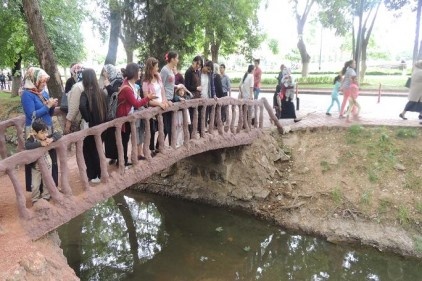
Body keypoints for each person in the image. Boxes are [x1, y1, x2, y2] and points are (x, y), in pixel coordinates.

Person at [21, 67, 59, 192]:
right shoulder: (26, 94)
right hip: (34, 130)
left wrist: (52, 106)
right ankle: (38, 190)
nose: (44, 84)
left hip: (47, 128)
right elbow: (32, 115)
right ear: (34, 80)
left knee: (51, 157)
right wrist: (47, 106)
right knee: (36, 159)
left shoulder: (43, 92)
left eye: (45, 81)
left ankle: (52, 185)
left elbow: (48, 112)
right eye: (42, 81)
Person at [116, 62, 156, 166]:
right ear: (134, 73)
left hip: (127, 115)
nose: (140, 73)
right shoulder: (127, 88)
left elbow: (136, 99)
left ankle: (123, 161)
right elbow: (136, 103)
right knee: (124, 140)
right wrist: (148, 98)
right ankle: (122, 162)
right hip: (124, 118)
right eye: (138, 71)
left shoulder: (130, 83)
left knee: (124, 139)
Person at [79, 68, 107, 183]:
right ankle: (101, 173)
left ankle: (93, 175)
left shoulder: (85, 93)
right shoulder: (101, 92)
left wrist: (88, 119)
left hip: (91, 127)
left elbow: (81, 107)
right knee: (99, 149)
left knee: (89, 150)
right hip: (102, 126)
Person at [25, 119, 61, 203]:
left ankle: (46, 196)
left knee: (46, 181)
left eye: (46, 132)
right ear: (34, 132)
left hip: (48, 164)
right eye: (42, 133)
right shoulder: (30, 139)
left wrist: (52, 139)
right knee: (35, 184)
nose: (45, 135)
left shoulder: (47, 137)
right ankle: (35, 199)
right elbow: (27, 146)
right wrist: (40, 144)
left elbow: (58, 134)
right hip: (35, 167)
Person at [142, 57, 170, 154]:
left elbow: (162, 91)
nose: (158, 69)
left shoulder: (158, 77)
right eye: (156, 66)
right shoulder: (145, 82)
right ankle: (151, 149)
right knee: (152, 130)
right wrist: (159, 104)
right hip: (153, 108)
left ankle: (159, 145)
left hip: (162, 107)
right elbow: (147, 100)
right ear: (151, 68)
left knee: (166, 128)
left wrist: (165, 101)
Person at [101, 64, 124, 165]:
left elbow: (114, 94)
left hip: (116, 113)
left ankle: (120, 157)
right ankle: (113, 156)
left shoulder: (119, 81)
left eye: (105, 72)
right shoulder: (110, 81)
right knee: (109, 136)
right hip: (109, 113)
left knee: (117, 136)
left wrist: (107, 84)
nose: (104, 74)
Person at [160, 51, 183, 146]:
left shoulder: (171, 70)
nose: (178, 60)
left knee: (171, 125)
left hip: (171, 98)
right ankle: (159, 147)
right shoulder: (164, 70)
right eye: (177, 58)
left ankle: (170, 145)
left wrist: (177, 86)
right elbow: (161, 85)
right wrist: (166, 100)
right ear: (172, 59)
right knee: (166, 127)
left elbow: (169, 84)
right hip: (166, 101)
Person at [64, 64, 84, 134]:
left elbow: (74, 108)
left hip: (78, 119)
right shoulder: (90, 84)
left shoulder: (77, 86)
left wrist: (68, 124)